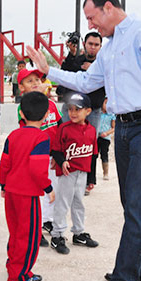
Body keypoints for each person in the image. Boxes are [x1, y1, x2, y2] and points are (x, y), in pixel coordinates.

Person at [27, 0, 141, 281]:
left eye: (92, 17)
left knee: (137, 205)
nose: (91, 25)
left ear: (108, 7)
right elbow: (85, 82)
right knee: (133, 203)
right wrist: (47, 71)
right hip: (124, 127)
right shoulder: (110, 49)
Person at [0, 91, 54, 281]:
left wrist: (4, 185)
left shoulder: (13, 135)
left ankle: (12, 264)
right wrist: (48, 188)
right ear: (46, 115)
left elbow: (5, 163)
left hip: (12, 191)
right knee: (29, 234)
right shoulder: (42, 138)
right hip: (28, 194)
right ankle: (21, 274)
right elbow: (38, 170)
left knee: (15, 231)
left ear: (21, 113)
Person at [16, 68, 63, 247]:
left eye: (37, 79)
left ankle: (47, 221)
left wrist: (59, 153)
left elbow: (59, 126)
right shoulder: (24, 108)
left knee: (53, 190)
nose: (35, 83)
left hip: (53, 154)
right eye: (29, 81)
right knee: (39, 191)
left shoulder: (50, 104)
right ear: (21, 88)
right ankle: (36, 227)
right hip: (37, 155)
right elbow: (25, 134)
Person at [49, 92, 98, 255]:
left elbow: (93, 155)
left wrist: (92, 178)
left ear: (88, 111)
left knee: (79, 203)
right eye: (70, 109)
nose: (73, 113)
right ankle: (57, 235)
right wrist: (62, 160)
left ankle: (78, 233)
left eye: (78, 109)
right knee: (62, 203)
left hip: (82, 173)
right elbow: (55, 150)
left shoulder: (91, 130)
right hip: (67, 173)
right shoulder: (63, 128)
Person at [59, 32, 105, 196]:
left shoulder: (103, 64)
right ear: (84, 43)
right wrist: (71, 55)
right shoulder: (75, 59)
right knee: (66, 141)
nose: (92, 47)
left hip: (93, 110)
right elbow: (63, 74)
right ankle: (65, 175)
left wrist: (92, 70)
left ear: (100, 46)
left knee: (90, 145)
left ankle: (89, 180)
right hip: (71, 108)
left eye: (96, 45)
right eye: (90, 44)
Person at [97, 98, 116, 181]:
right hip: (97, 136)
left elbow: (113, 128)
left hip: (105, 137)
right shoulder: (98, 113)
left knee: (104, 154)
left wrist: (107, 133)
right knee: (94, 154)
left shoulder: (111, 115)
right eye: (105, 103)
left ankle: (106, 173)